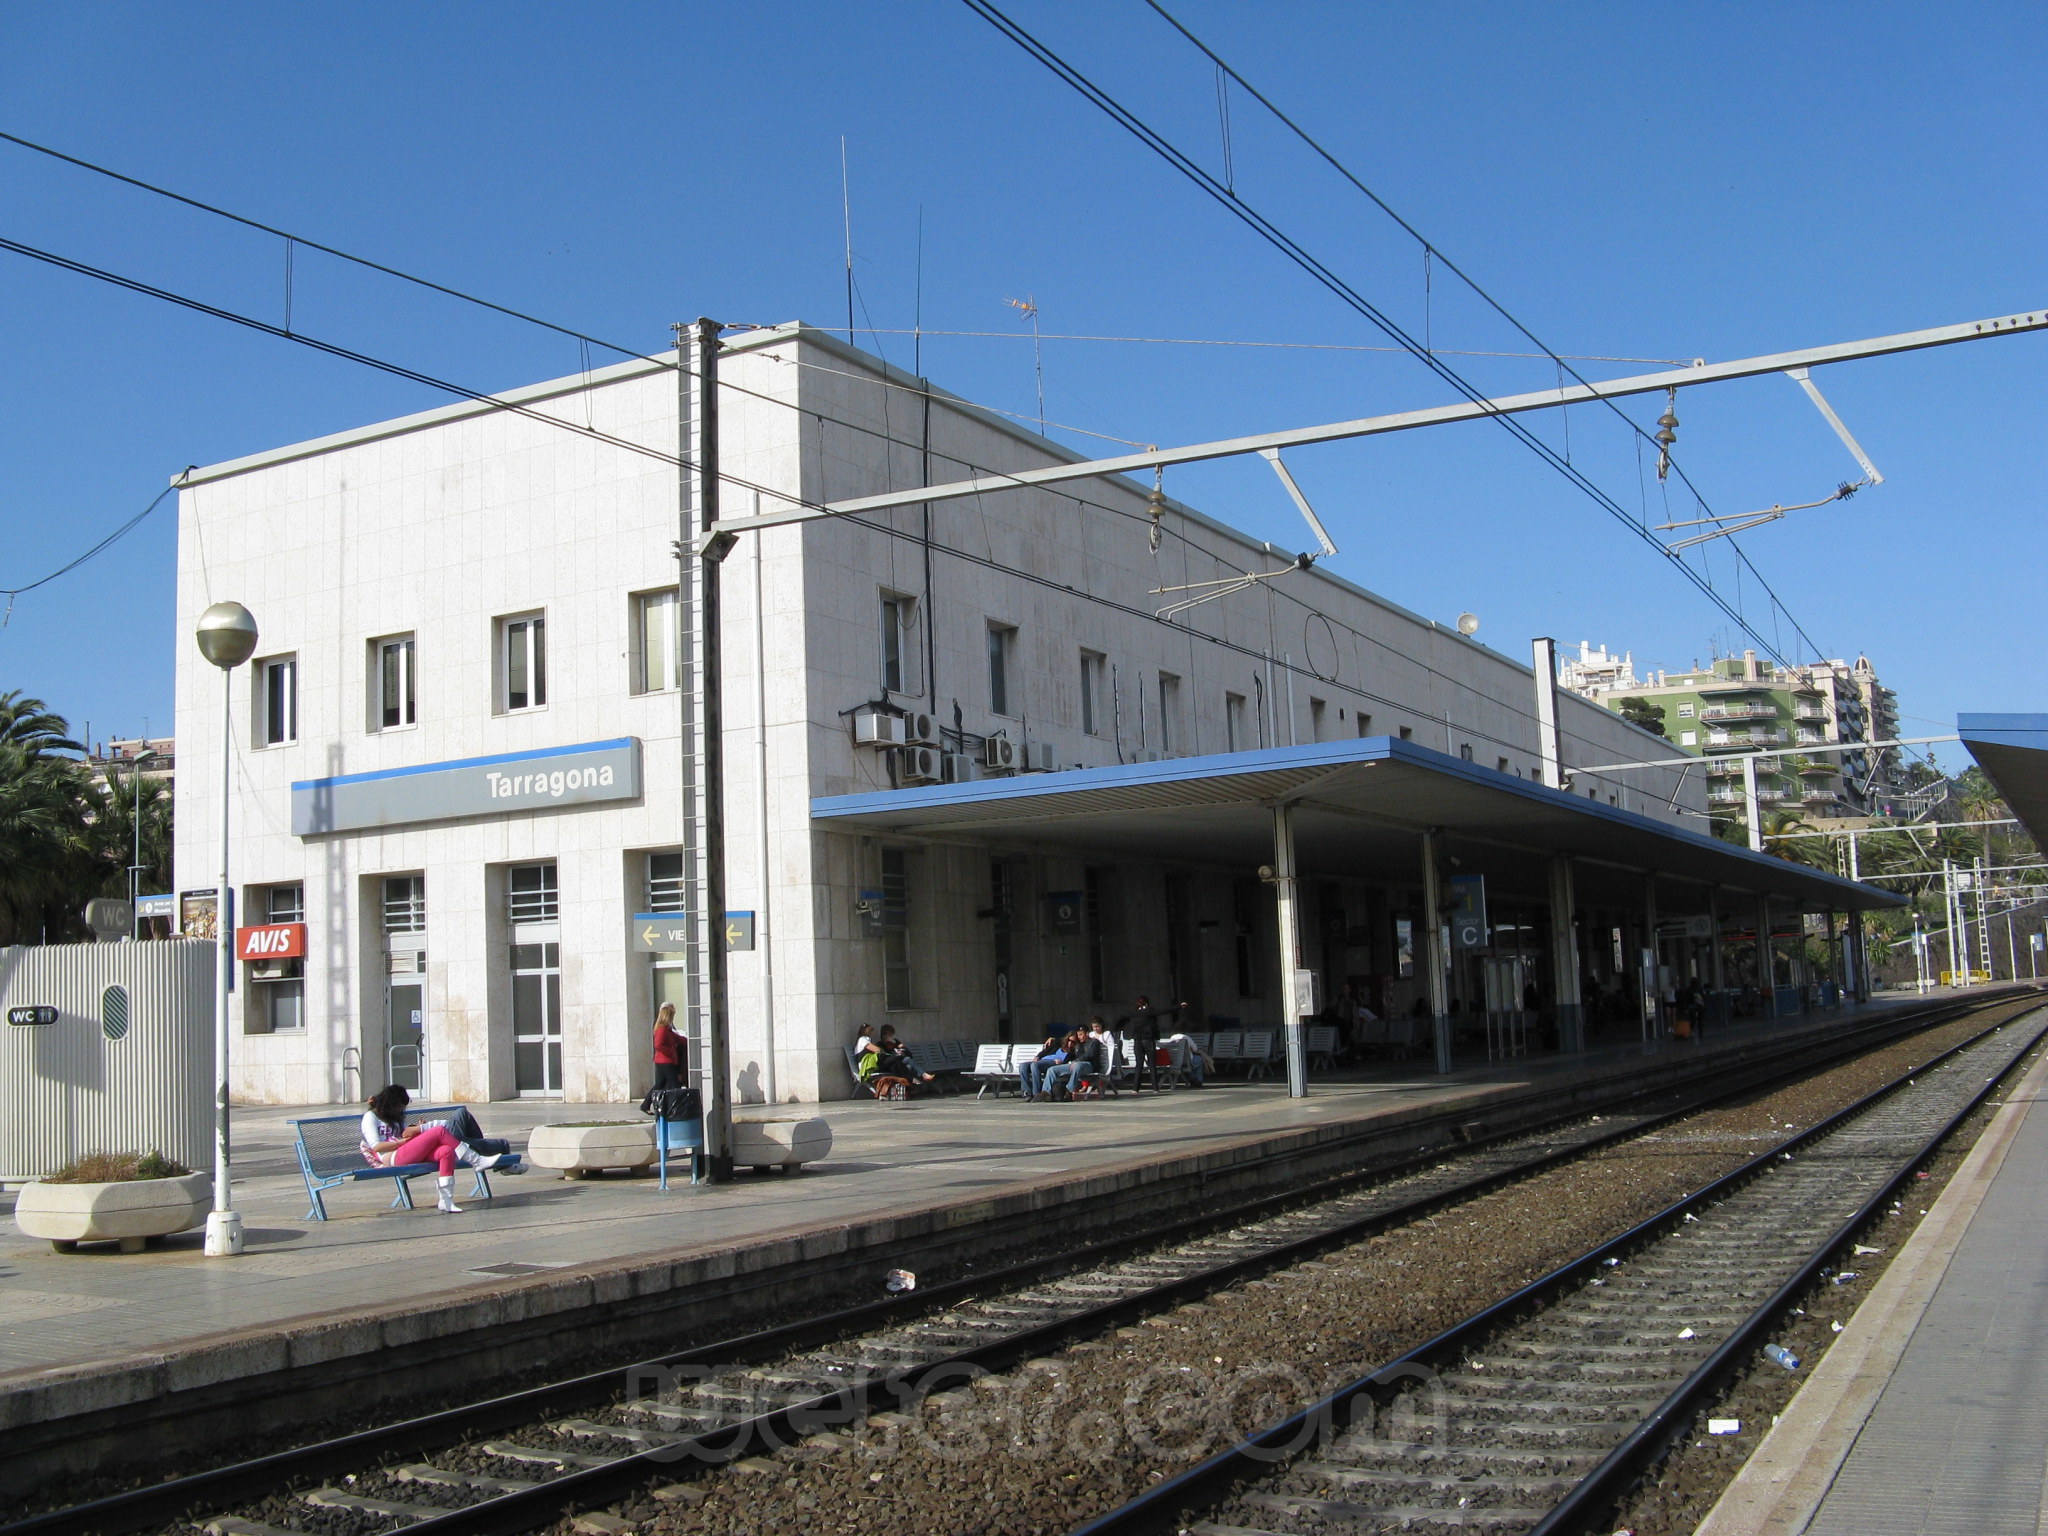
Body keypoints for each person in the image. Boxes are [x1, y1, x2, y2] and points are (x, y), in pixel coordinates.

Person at [360, 1084, 510, 1214]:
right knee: (439, 1131)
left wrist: (414, 1130)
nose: (400, 1111)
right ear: (390, 1103)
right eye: (399, 1107)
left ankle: (446, 1200)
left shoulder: (393, 1118)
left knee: (446, 1151)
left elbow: (404, 1134)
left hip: (406, 1151)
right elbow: (377, 1146)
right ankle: (476, 1160)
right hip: (392, 1158)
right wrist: (403, 1142)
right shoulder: (370, 1117)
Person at [854, 1026, 931, 1092]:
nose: (871, 1034)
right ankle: (911, 1081)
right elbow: (878, 1051)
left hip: (890, 1064)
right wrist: (889, 1051)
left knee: (900, 1062)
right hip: (875, 1066)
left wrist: (896, 1045)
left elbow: (909, 1054)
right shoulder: (867, 1041)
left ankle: (910, 1083)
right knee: (899, 1060)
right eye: (889, 1035)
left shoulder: (895, 1041)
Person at [1044, 1023, 1109, 1099]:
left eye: (1081, 1034)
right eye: (1078, 1035)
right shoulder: (1077, 1044)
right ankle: (1045, 1093)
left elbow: (1090, 1054)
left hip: (1089, 1066)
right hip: (1074, 1065)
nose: (1079, 1037)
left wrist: (1076, 1061)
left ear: (1087, 1034)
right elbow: (1065, 1040)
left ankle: (1069, 1090)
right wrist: (1053, 1039)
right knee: (1051, 1070)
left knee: (1078, 1065)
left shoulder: (1094, 1042)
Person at [1128, 994, 1163, 1091]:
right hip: (1147, 1039)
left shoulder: (1134, 1013)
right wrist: (1179, 1007)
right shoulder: (1149, 1011)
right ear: (1147, 1003)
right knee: (1152, 1064)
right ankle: (1155, 1088)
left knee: (1139, 1064)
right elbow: (1162, 1012)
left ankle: (1135, 1088)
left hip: (1137, 1040)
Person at [1018, 1034, 1067, 1101]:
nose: (1069, 1043)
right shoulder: (1057, 1043)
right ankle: (1026, 1092)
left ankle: (1036, 1093)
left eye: (1072, 1041)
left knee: (1034, 1065)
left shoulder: (1072, 1050)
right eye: (1068, 1040)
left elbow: (1068, 1061)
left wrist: (1061, 1062)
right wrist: (1038, 1056)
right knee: (1023, 1066)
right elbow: (1045, 1051)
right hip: (1042, 1060)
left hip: (1053, 1062)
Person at [651, 1002, 686, 1093]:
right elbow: (658, 1045)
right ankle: (676, 1104)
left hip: (663, 1060)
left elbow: (677, 1039)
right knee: (674, 1083)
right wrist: (671, 1052)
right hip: (665, 1060)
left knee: (660, 1084)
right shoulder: (662, 1030)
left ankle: (645, 1104)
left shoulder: (667, 1029)